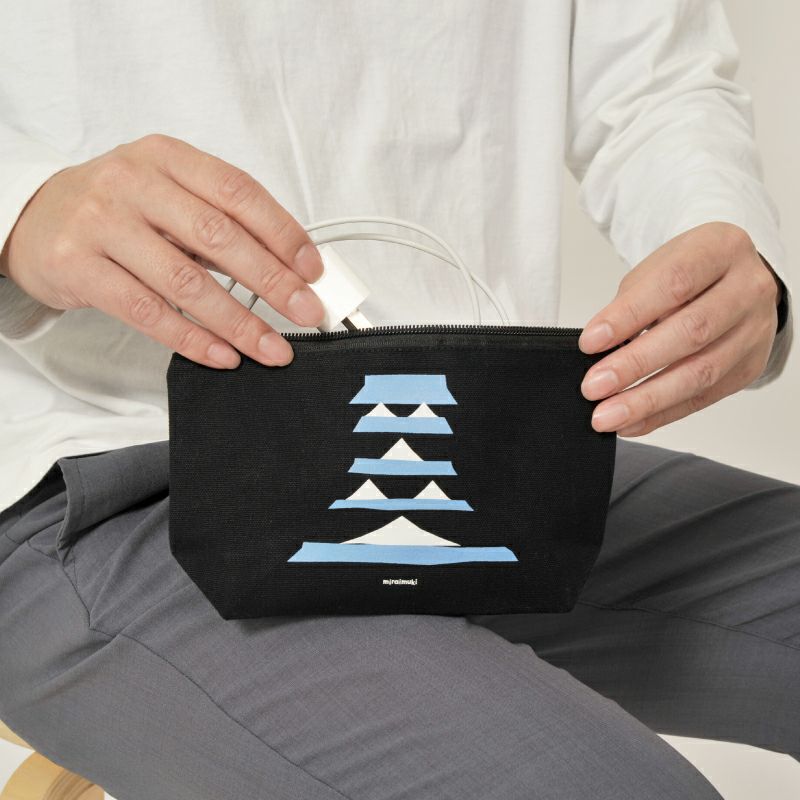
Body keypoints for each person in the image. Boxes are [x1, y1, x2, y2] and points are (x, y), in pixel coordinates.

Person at [0, 2, 796, 798]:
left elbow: (652, 78)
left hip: (489, 449)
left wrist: (717, 240)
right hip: (88, 467)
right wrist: (19, 206)